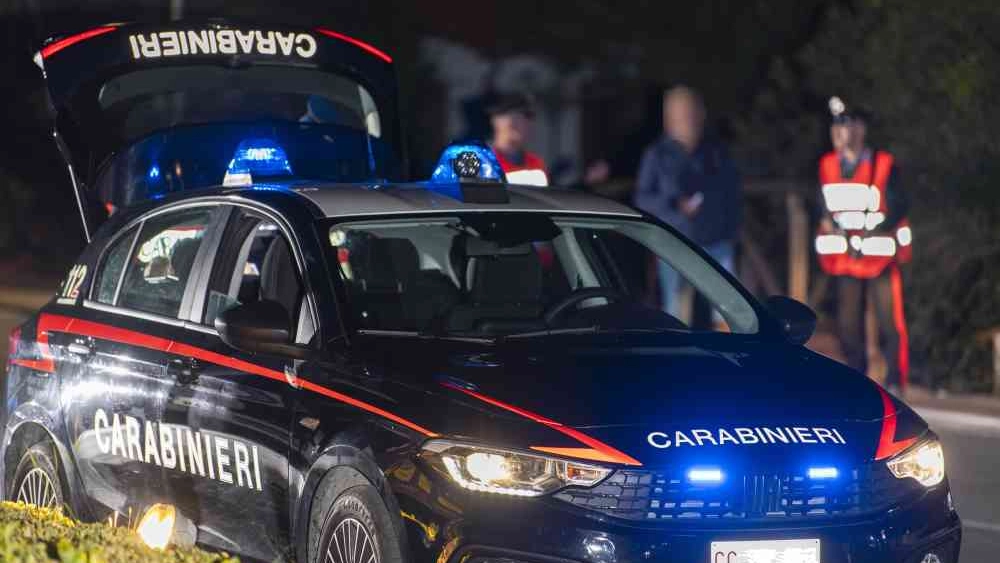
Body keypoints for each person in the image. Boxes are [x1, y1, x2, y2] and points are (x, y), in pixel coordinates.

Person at [814, 97, 913, 392]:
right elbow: (822, 204)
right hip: (846, 259)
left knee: (889, 322)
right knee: (847, 325)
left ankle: (896, 381)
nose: (840, 133)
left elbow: (898, 206)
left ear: (861, 129)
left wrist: (874, 229)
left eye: (846, 125)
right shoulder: (827, 165)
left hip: (879, 255)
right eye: (836, 126)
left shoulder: (883, 164)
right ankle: (859, 381)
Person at [633, 85, 742, 319]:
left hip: (716, 243)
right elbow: (642, 199)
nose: (688, 118)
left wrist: (729, 229)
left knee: (727, 315)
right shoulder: (657, 154)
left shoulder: (716, 151)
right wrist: (675, 208)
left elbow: (732, 193)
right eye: (682, 112)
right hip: (674, 245)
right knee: (675, 313)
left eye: (692, 111)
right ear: (669, 117)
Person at [487, 93, 548, 186]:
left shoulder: (536, 165)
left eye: (525, 118)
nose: (520, 123)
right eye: (512, 118)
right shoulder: (482, 162)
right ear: (495, 121)